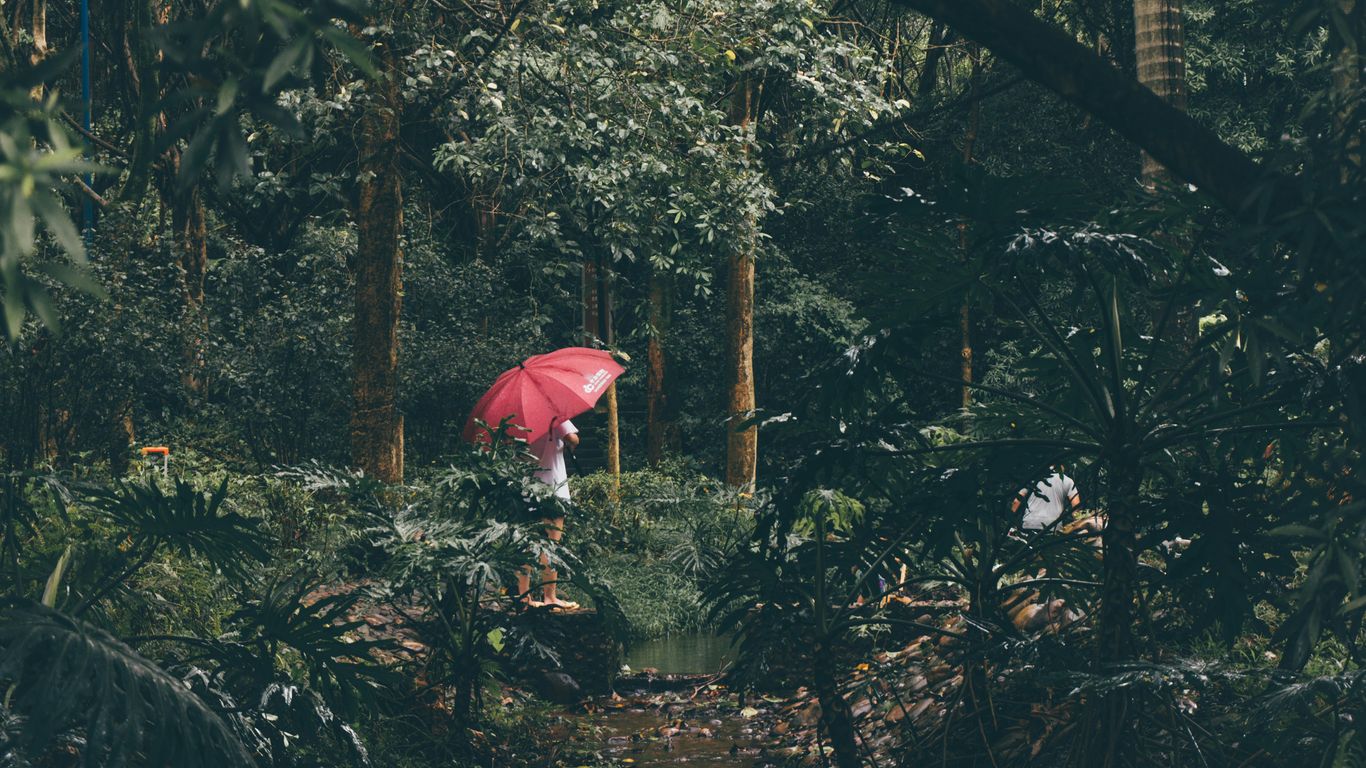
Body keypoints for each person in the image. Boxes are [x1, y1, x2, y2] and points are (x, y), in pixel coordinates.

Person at [519, 419, 580, 609]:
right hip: (553, 490)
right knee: (552, 544)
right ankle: (550, 597)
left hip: (526, 490)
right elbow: (573, 439)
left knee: (527, 545)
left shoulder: (518, 418)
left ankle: (524, 598)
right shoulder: (554, 414)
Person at [1011, 470, 1081, 531]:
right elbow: (1076, 506)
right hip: (1052, 526)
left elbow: (1016, 501)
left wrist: (1011, 523)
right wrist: (1077, 527)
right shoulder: (1068, 481)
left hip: (1030, 523)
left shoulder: (1035, 478)